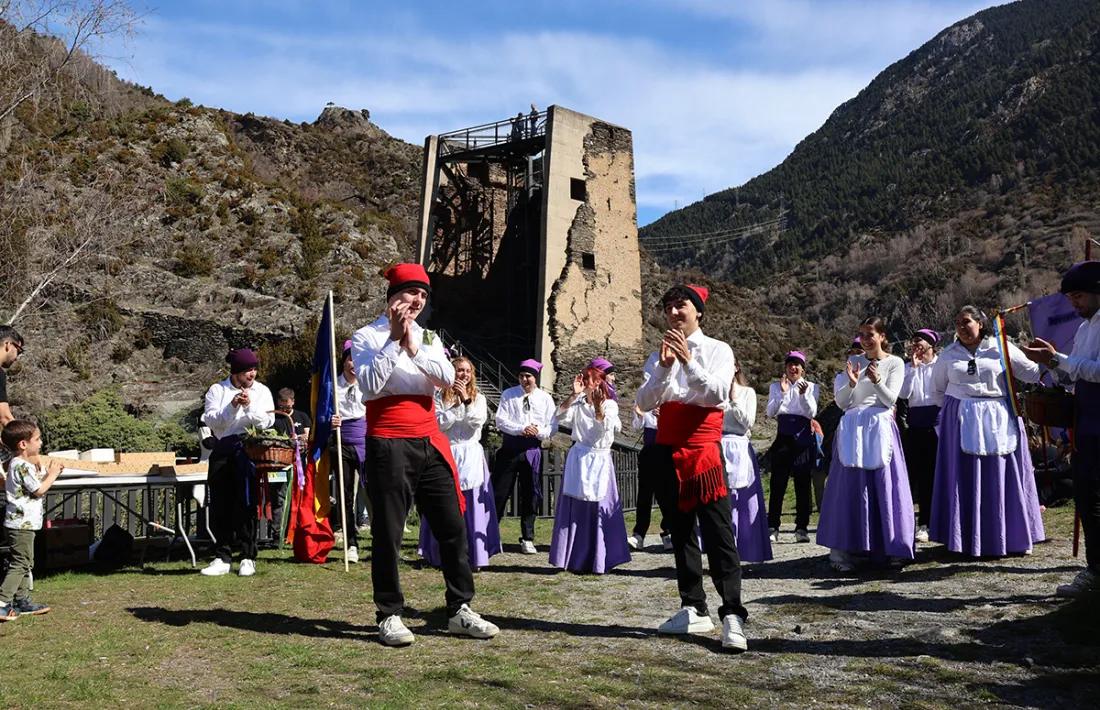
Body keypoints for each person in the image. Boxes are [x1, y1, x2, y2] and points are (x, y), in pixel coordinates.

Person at [351, 263, 497, 646]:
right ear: (392, 296)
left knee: (451, 525)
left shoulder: (428, 337)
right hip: (388, 437)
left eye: (422, 295)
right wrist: (393, 340)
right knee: (388, 531)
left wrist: (411, 343)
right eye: (410, 293)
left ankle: (459, 608)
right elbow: (368, 384)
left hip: (430, 437)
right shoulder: (366, 336)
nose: (416, 301)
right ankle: (389, 613)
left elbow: (447, 377)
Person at [636, 284, 748, 652]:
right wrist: (665, 369)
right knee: (680, 531)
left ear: (697, 311)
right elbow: (645, 401)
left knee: (718, 532)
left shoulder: (718, 349)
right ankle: (693, 606)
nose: (672, 312)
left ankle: (732, 613)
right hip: (667, 448)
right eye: (667, 306)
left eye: (679, 305)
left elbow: (716, 393)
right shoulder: (657, 356)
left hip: (702, 451)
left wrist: (688, 362)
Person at [929, 305, 1045, 557]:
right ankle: (966, 538)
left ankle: (1011, 536)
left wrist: (1046, 356)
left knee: (1002, 473)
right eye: (957, 322)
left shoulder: (1000, 347)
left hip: (998, 413)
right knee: (964, 475)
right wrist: (956, 410)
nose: (961, 326)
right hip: (961, 416)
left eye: (967, 321)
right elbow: (937, 390)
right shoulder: (948, 354)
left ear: (980, 323)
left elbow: (1032, 373)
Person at [1021, 261, 1100, 596]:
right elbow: (1073, 374)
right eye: (1069, 298)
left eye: (1078, 296)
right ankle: (1096, 570)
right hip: (1086, 424)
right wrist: (1050, 363)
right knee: (1087, 496)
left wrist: (1059, 361)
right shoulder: (1084, 329)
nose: (1073, 304)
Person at [817, 316, 915, 571]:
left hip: (879, 427)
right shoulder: (854, 362)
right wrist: (851, 384)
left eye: (870, 334)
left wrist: (876, 381)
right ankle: (846, 550)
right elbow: (843, 403)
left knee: (885, 486)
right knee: (850, 489)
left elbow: (890, 399)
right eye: (862, 334)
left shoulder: (894, 363)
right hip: (852, 430)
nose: (865, 339)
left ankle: (892, 548)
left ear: (882, 336)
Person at [419, 356, 502, 571]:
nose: (464, 374)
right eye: (459, 370)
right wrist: (455, 408)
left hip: (470, 453)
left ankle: (474, 554)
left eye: (467, 371)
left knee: (471, 505)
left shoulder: (480, 398)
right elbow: (437, 424)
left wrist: (465, 399)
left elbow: (476, 421)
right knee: (444, 504)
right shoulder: (438, 397)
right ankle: (440, 554)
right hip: (446, 451)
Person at [200, 349, 275, 577]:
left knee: (246, 504)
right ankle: (222, 556)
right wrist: (232, 407)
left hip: (248, 452)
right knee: (220, 504)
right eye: (246, 370)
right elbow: (212, 421)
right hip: (222, 451)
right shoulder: (217, 390)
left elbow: (267, 420)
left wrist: (249, 406)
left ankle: (247, 556)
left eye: (253, 369)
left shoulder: (261, 391)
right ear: (235, 372)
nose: (252, 374)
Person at [549, 366, 631, 574]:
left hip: (599, 458)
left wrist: (597, 406)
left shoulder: (610, 405)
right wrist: (573, 395)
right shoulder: (576, 403)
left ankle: (600, 557)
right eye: (585, 379)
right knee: (576, 509)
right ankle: (572, 556)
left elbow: (603, 427)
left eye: (591, 380)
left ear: (600, 383)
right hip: (579, 457)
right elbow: (559, 417)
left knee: (599, 508)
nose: (588, 383)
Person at [492, 359, 555, 554]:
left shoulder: (545, 399)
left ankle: (527, 537)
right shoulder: (509, 395)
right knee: (500, 493)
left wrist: (537, 432)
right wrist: (521, 429)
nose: (524, 379)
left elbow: (552, 426)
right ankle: (490, 535)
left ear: (535, 378)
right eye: (521, 376)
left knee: (530, 495)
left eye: (528, 376)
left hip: (532, 452)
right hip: (510, 450)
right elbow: (501, 420)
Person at [0, 420, 60, 620]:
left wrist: (44, 471)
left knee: (25, 562)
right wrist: (53, 474)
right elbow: (39, 489)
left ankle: (21, 600)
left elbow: (33, 485)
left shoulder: (20, 465)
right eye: (37, 439)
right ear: (23, 444)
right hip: (21, 525)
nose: (41, 442)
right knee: (20, 563)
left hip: (22, 525)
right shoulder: (21, 466)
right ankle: (2, 601)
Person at [720, 363, 773, 563]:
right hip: (717, 445)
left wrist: (733, 402)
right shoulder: (715, 392)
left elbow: (748, 422)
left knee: (739, 500)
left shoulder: (747, 393)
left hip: (739, 445)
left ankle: (741, 548)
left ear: (735, 367)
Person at [765, 351, 818, 543]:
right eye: (790, 364)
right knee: (777, 484)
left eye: (797, 364)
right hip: (783, 438)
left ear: (803, 368)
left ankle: (802, 528)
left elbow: (811, 412)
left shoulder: (812, 387)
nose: (793, 368)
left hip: (803, 439)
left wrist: (802, 396)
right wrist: (783, 394)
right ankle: (773, 527)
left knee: (803, 484)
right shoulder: (776, 387)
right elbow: (770, 412)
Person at [899, 329, 942, 544]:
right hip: (916, 425)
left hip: (938, 424)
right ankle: (922, 523)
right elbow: (904, 394)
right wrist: (913, 369)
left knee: (939, 474)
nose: (915, 344)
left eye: (919, 341)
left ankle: (940, 521)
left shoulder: (941, 365)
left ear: (931, 345)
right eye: (913, 341)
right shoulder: (907, 368)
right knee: (920, 476)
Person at [330, 342, 369, 564]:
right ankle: (351, 542)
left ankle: (383, 543)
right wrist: (330, 420)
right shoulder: (333, 385)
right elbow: (321, 413)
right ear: (344, 361)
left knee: (373, 493)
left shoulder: (369, 383)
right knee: (346, 494)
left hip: (366, 440)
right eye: (351, 359)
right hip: (341, 441)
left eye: (359, 359)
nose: (354, 364)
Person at [630, 392, 671, 551]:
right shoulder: (643, 398)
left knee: (666, 495)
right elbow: (637, 426)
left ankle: (668, 532)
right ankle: (639, 534)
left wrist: (664, 417)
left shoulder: (670, 397)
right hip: (648, 450)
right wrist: (640, 415)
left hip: (666, 450)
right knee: (644, 495)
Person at [271, 387, 312, 543]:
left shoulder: (302, 417)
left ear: (293, 402)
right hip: (279, 465)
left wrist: (293, 438)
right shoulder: (274, 419)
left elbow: (306, 437)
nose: (284, 410)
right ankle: (277, 534)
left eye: (287, 407)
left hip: (300, 465)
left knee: (299, 498)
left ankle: (298, 531)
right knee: (278, 499)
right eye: (281, 407)